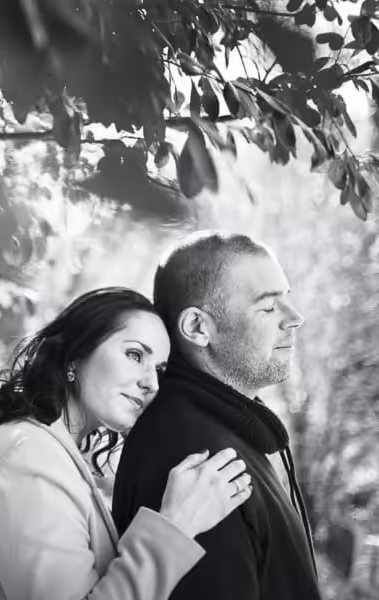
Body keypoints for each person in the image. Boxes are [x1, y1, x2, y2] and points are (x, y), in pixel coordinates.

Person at [0, 287, 253, 600]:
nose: (150, 382)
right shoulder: (28, 459)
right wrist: (177, 525)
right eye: (135, 354)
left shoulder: (46, 452)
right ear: (76, 356)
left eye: (160, 371)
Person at [111, 231, 320, 600]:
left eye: (286, 300)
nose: (295, 318)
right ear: (197, 328)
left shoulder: (226, 428)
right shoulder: (194, 458)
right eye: (269, 307)